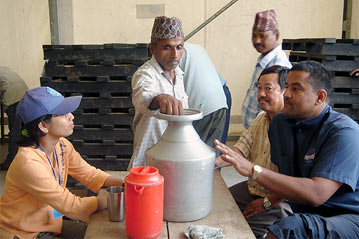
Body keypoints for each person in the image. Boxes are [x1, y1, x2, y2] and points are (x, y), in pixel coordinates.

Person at [215, 61, 359, 238]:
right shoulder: (280, 124)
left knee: (290, 228)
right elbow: (288, 175)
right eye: (287, 87)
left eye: (296, 89)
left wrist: (254, 171)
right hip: (302, 208)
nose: (287, 94)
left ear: (320, 97)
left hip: (345, 216)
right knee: (221, 203)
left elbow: (317, 194)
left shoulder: (343, 133)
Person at [0, 87, 124, 239]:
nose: (71, 116)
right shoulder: (29, 163)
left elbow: (90, 174)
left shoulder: (62, 145)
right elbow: (71, 205)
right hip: (24, 233)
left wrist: (125, 184)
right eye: (63, 114)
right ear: (43, 125)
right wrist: (113, 200)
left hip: (50, 223)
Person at [215, 65, 292, 238]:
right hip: (253, 188)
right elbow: (241, 149)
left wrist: (266, 203)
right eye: (259, 88)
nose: (261, 94)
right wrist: (214, 163)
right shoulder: (260, 119)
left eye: (268, 89)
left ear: (285, 92)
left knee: (241, 229)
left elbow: (292, 181)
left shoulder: (293, 127)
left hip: (279, 199)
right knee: (218, 205)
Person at [129, 16, 188, 169]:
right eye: (167, 47)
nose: (175, 54)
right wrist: (159, 99)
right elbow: (143, 96)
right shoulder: (145, 74)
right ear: (152, 49)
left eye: (179, 47)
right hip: (148, 162)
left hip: (174, 159)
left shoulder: (179, 76)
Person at [241, 9, 292, 129]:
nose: (257, 41)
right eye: (254, 36)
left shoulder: (279, 64)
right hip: (255, 131)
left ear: (276, 35)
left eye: (262, 36)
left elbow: (280, 106)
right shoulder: (264, 60)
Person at [179, 42, 228, 153]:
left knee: (194, 153)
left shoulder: (172, 54)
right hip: (221, 98)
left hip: (202, 104)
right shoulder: (197, 48)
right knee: (213, 151)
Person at [0, 66, 28, 170]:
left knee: (15, 131)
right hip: (24, 94)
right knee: (21, 129)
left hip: (13, 96)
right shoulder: (3, 69)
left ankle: (11, 160)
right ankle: (22, 156)